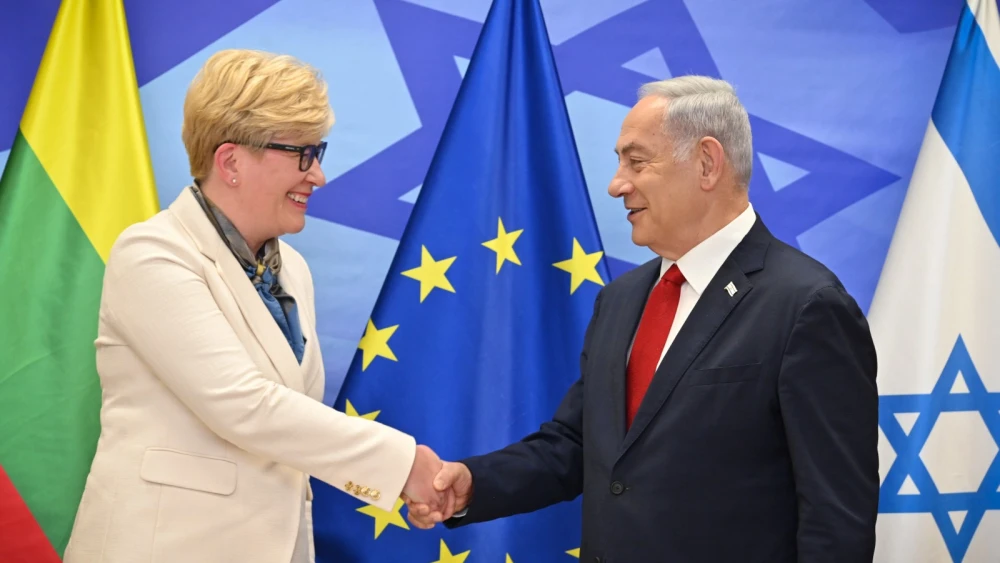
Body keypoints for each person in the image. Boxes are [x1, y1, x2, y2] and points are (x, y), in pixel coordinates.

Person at [407, 76, 880, 562]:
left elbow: (836, 520)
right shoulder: (621, 300)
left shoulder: (807, 306)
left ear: (706, 163)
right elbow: (576, 447)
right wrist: (473, 484)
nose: (617, 184)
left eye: (636, 162)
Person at [63, 49, 445, 563]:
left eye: (319, 152)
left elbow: (288, 427)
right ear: (231, 162)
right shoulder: (152, 254)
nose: (318, 176)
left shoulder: (294, 270)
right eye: (301, 154)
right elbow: (243, 404)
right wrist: (402, 466)